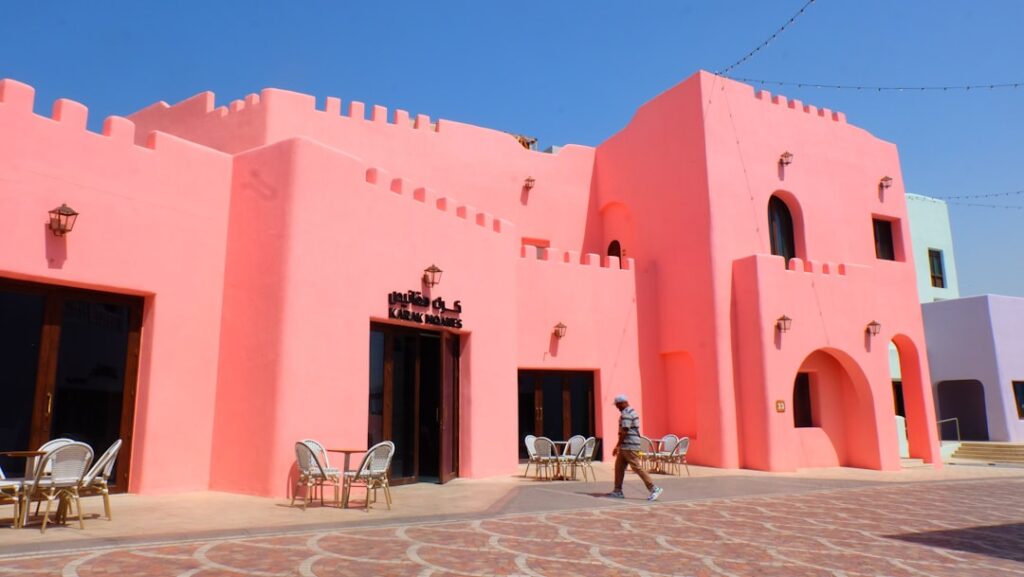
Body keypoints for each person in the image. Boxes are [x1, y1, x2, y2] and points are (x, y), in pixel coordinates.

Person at [608, 394, 663, 501]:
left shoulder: (626, 414)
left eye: (618, 405)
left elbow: (625, 431)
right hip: (626, 445)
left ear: (623, 403)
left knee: (636, 467)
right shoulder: (631, 411)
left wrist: (617, 446)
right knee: (619, 467)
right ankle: (617, 490)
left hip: (629, 445)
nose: (617, 407)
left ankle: (654, 488)